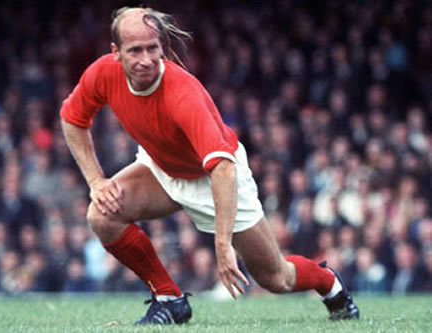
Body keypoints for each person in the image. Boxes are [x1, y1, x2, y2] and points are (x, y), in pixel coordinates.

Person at [60, 6, 359, 325]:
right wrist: (96, 182)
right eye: (135, 50)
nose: (146, 59)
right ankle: (169, 298)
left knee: (276, 278)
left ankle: (328, 283)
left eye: (153, 48)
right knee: (102, 215)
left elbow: (223, 169)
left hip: (217, 176)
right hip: (162, 166)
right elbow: (72, 118)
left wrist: (222, 244)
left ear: (162, 47)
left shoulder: (182, 92)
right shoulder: (102, 73)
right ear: (116, 53)